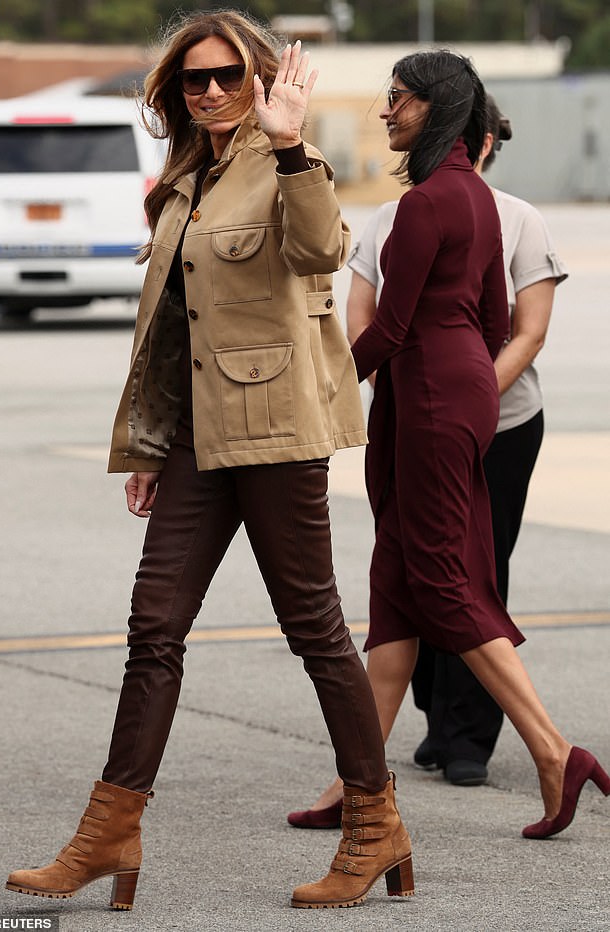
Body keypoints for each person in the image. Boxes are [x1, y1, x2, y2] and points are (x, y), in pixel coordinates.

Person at [5, 11, 414, 913]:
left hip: (274, 434)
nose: (214, 90)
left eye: (229, 73)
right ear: (176, 92)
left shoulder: (283, 162)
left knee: (313, 627)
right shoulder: (186, 178)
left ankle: (375, 822)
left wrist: (295, 143)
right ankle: (109, 830)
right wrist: (150, 446)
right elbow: (166, 336)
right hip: (195, 440)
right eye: (195, 79)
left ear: (259, 78)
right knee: (153, 627)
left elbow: (321, 251)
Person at [287, 49, 609, 840]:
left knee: (439, 579)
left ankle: (552, 749)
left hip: (428, 393)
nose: (385, 112)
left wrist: (321, 399)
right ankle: (354, 780)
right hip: (456, 389)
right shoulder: (475, 198)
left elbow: (389, 327)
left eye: (395, 99)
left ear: (435, 106)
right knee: (396, 589)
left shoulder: (427, 204)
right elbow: (496, 322)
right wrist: (461, 373)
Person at [410, 95, 569, 787]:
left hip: (502, 423)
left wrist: (470, 402)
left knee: (480, 569)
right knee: (418, 571)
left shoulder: (517, 218)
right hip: (419, 424)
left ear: (477, 144)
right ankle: (435, 714)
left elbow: (529, 331)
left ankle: (469, 734)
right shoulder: (402, 215)